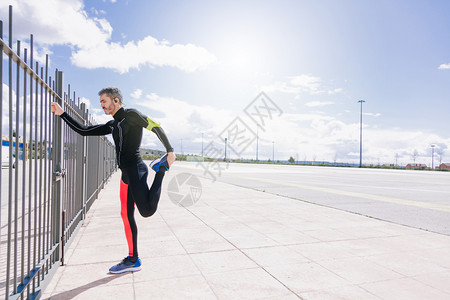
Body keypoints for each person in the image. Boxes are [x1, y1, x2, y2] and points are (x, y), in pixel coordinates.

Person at [51, 87, 175, 274]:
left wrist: (170, 150)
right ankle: (133, 259)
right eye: (100, 102)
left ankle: (160, 169)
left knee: (147, 211)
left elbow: (155, 125)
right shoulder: (112, 125)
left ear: (115, 100)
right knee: (125, 215)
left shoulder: (131, 115)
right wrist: (62, 114)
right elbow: (84, 131)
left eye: (104, 101)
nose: (101, 105)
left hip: (136, 170)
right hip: (125, 175)